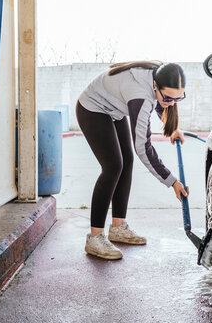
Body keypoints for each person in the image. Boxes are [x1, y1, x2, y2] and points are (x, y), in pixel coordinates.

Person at [76, 61, 189, 260]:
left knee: (126, 161)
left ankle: (118, 227)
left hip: (113, 107)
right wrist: (172, 181)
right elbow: (143, 148)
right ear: (155, 85)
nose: (172, 103)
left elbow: (162, 102)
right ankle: (94, 237)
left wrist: (171, 129)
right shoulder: (141, 96)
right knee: (112, 166)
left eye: (178, 98)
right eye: (169, 98)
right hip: (92, 108)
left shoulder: (162, 74)